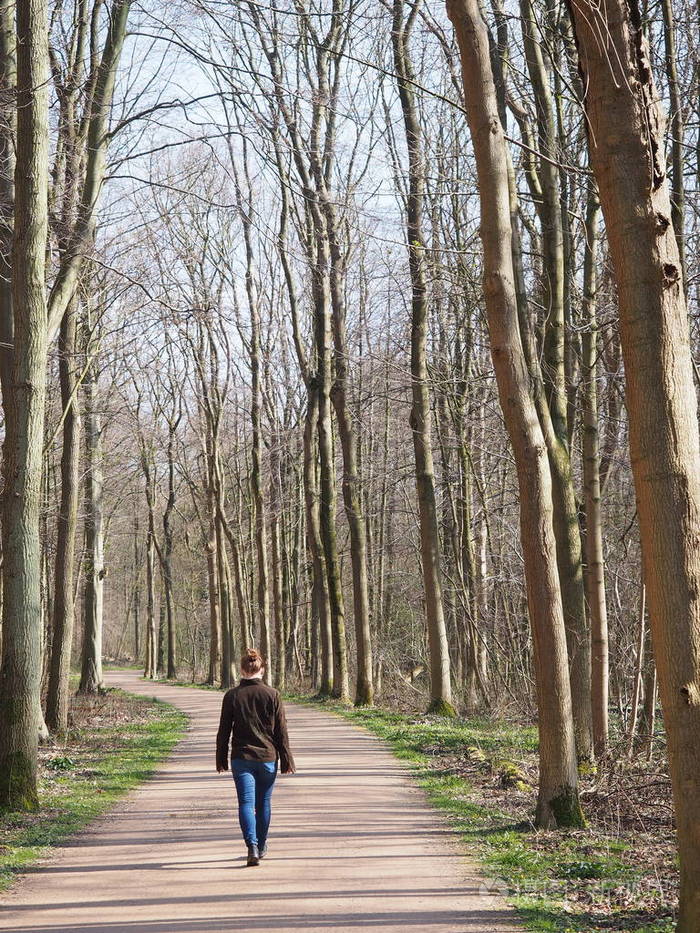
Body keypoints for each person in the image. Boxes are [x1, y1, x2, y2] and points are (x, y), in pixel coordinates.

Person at [216, 650, 296, 866]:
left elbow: (224, 731)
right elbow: (281, 731)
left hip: (241, 758)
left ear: (242, 670)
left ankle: (251, 845)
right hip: (268, 758)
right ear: (262, 669)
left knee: (245, 802)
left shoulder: (232, 696)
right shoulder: (273, 694)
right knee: (263, 803)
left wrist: (221, 758)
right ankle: (260, 846)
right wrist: (287, 759)